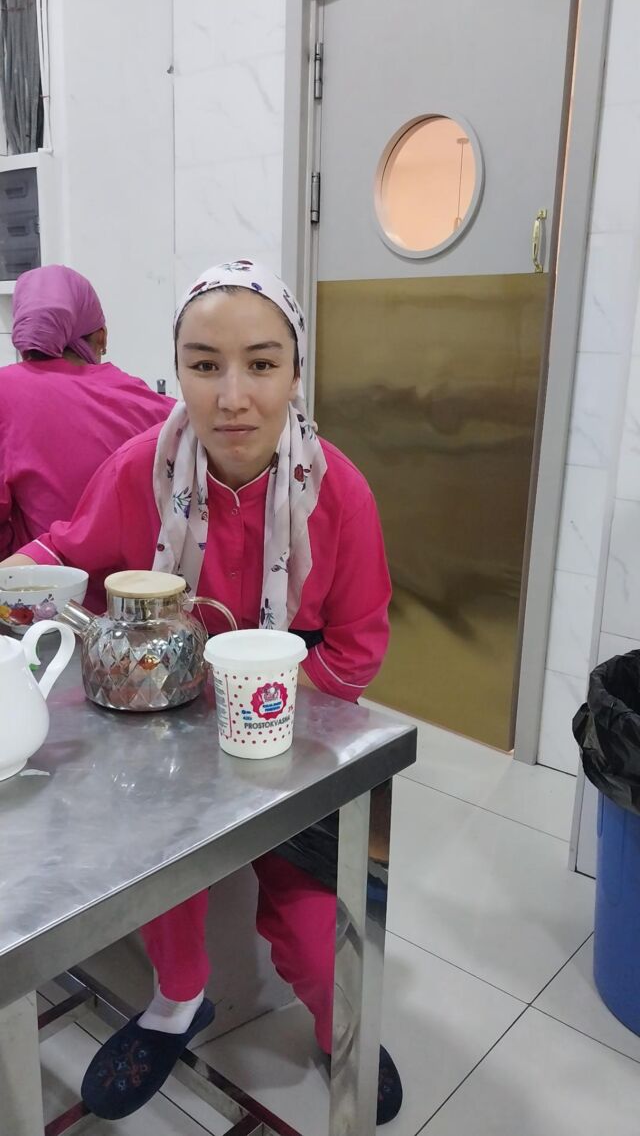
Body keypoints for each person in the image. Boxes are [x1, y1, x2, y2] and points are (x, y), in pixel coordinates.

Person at [3, 259, 401, 1125]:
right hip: (169, 725)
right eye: (204, 364)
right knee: (158, 868)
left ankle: (342, 1023)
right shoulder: (142, 470)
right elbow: (67, 550)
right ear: (175, 369)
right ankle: (178, 1002)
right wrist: (14, 581)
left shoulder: (338, 493)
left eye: (261, 364)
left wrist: (258, 707)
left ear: (296, 372)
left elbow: (359, 644)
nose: (232, 397)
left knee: (314, 927)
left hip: (292, 723)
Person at [0, 264, 173, 606]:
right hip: (142, 610)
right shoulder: (155, 406)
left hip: (43, 608)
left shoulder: (5, 392)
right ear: (102, 337)